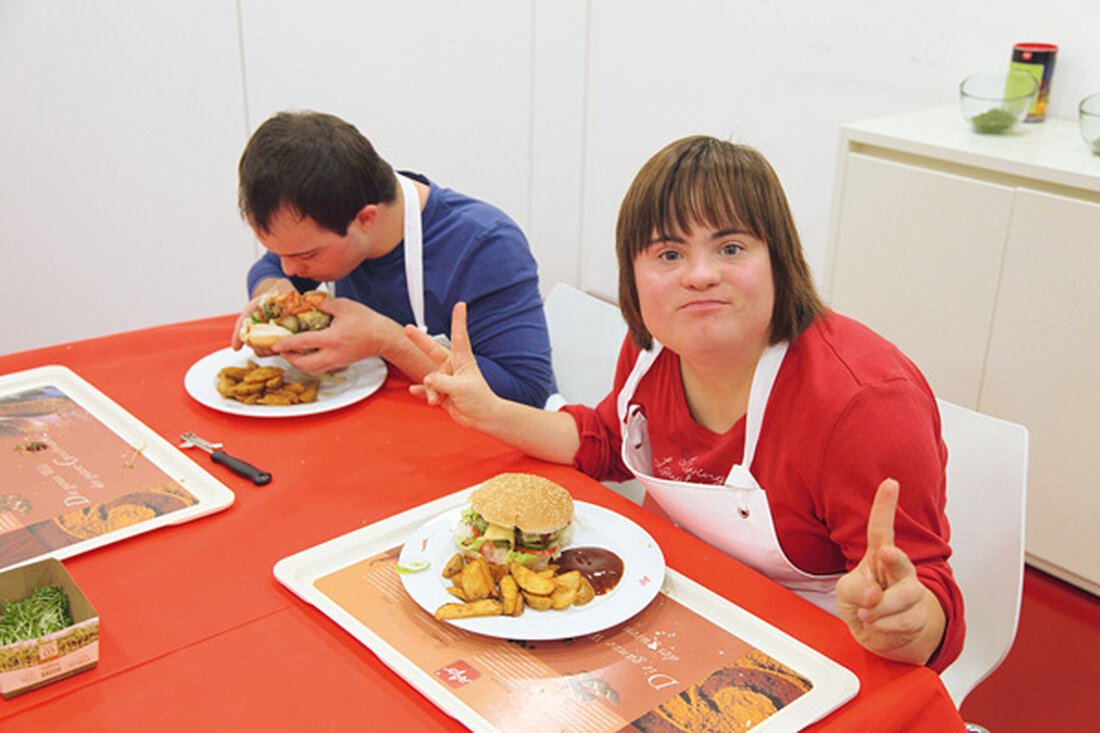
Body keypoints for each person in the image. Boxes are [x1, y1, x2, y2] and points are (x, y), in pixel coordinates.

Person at [404, 136, 964, 672]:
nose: (700, 275)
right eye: (669, 253)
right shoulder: (653, 347)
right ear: (633, 275)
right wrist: (489, 411)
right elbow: (607, 442)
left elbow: (925, 599)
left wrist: (904, 622)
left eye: (731, 247)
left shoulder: (861, 405)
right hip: (681, 607)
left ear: (780, 260)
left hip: (817, 644)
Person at [232, 110, 555, 407]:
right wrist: (271, 299)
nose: (291, 267)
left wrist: (387, 340)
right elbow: (272, 268)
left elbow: (526, 392)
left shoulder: (485, 245)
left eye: (306, 255)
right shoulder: (332, 212)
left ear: (365, 219)